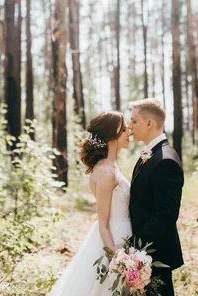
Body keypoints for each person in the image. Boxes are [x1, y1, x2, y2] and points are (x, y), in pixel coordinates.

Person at [48, 111, 132, 296]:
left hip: (123, 233)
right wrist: (115, 256)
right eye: (124, 129)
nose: (129, 133)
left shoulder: (110, 167)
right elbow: (103, 223)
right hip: (114, 237)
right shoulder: (106, 172)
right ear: (111, 134)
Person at [128, 98, 184, 296]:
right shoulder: (150, 154)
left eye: (134, 121)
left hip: (155, 254)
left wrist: (134, 245)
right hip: (144, 255)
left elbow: (165, 217)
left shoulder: (165, 160)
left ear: (149, 123)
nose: (129, 126)